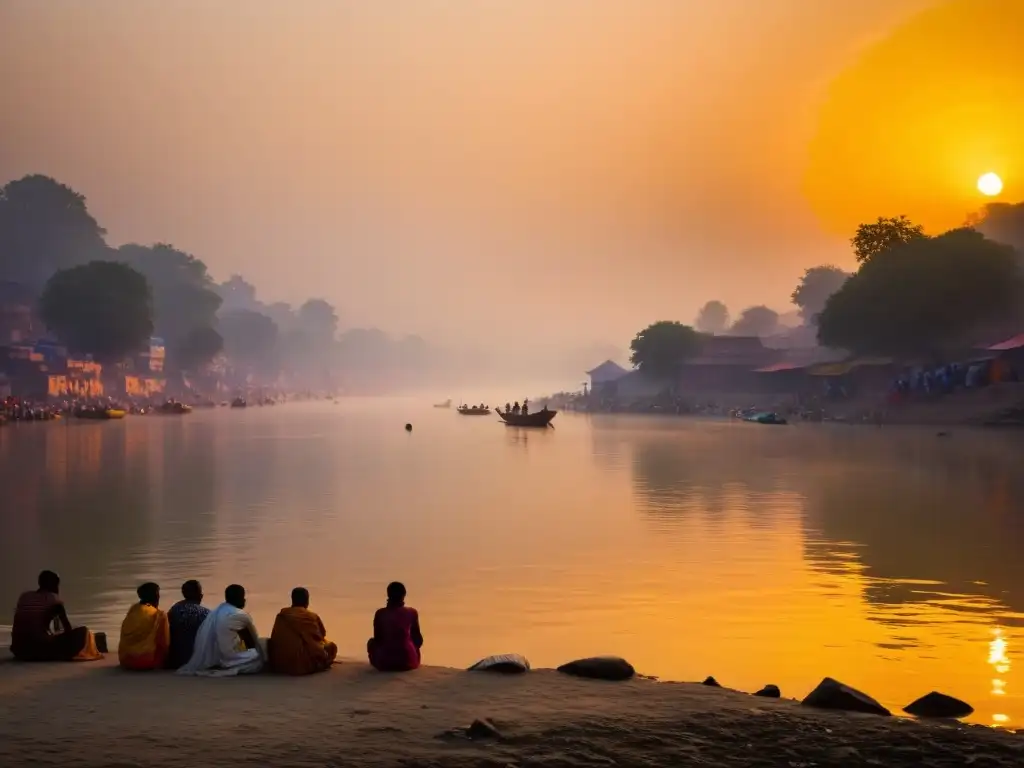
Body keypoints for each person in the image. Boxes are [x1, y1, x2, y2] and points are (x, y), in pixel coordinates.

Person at [10, 570, 103, 662]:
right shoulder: (54, 599)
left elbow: (36, 624)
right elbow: (68, 630)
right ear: (54, 585)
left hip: (18, 650)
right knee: (84, 631)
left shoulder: (24, 596)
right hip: (38, 650)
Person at [176, 584, 264, 676]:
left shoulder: (215, 612)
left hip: (213, 658)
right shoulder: (241, 615)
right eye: (243, 597)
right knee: (258, 655)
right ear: (240, 598)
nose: (244, 600)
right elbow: (254, 640)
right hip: (229, 657)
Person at [268, 587, 338, 675]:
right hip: (300, 665)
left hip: (278, 663)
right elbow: (321, 635)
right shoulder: (311, 616)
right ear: (307, 601)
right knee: (331, 647)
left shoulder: (282, 615)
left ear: (292, 600)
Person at [367, 581, 423, 672]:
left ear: (388, 595)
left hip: (384, 664)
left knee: (371, 642)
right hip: (408, 663)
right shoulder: (412, 612)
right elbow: (419, 641)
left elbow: (378, 639)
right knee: (412, 642)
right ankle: (409, 656)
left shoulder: (380, 614)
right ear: (404, 595)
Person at [118, 582, 170, 671]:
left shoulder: (133, 609)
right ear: (156, 596)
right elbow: (164, 643)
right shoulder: (159, 614)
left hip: (125, 659)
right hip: (146, 662)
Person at [166, 579, 210, 669]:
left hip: (175, 660)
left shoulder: (174, 609)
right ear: (200, 595)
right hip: (197, 659)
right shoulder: (205, 613)